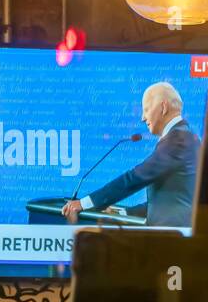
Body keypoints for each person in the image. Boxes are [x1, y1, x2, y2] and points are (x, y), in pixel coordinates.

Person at [61, 81, 199, 228]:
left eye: (146, 109)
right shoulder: (185, 136)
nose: (143, 117)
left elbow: (134, 178)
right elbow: (168, 202)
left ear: (163, 107)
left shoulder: (178, 140)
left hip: (170, 242)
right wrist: (123, 213)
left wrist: (83, 204)